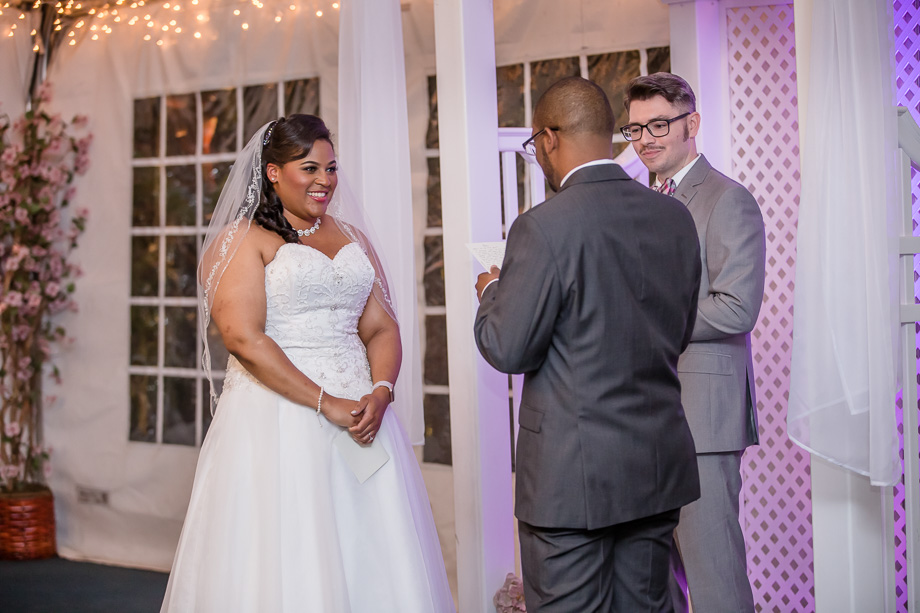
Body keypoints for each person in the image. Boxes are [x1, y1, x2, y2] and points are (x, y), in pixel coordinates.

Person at [160, 114, 455, 613]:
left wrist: (381, 391)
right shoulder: (243, 240)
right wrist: (326, 403)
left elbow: (382, 327)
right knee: (287, 553)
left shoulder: (352, 237)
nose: (325, 181)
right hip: (278, 419)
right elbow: (243, 338)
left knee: (372, 551)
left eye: (332, 168)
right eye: (310, 167)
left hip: (362, 416)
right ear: (273, 172)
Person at [473, 76, 702, 612]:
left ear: (549, 138)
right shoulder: (675, 217)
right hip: (653, 469)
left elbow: (508, 347)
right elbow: (679, 328)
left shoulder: (542, 228)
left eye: (536, 147)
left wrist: (493, 293)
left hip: (570, 484)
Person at [623, 72, 766, 613]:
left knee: (714, 574)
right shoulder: (638, 202)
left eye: (659, 124)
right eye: (635, 129)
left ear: (693, 123)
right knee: (661, 577)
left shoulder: (729, 200)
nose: (645, 139)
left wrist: (652, 321)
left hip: (704, 415)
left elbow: (737, 307)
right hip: (646, 411)